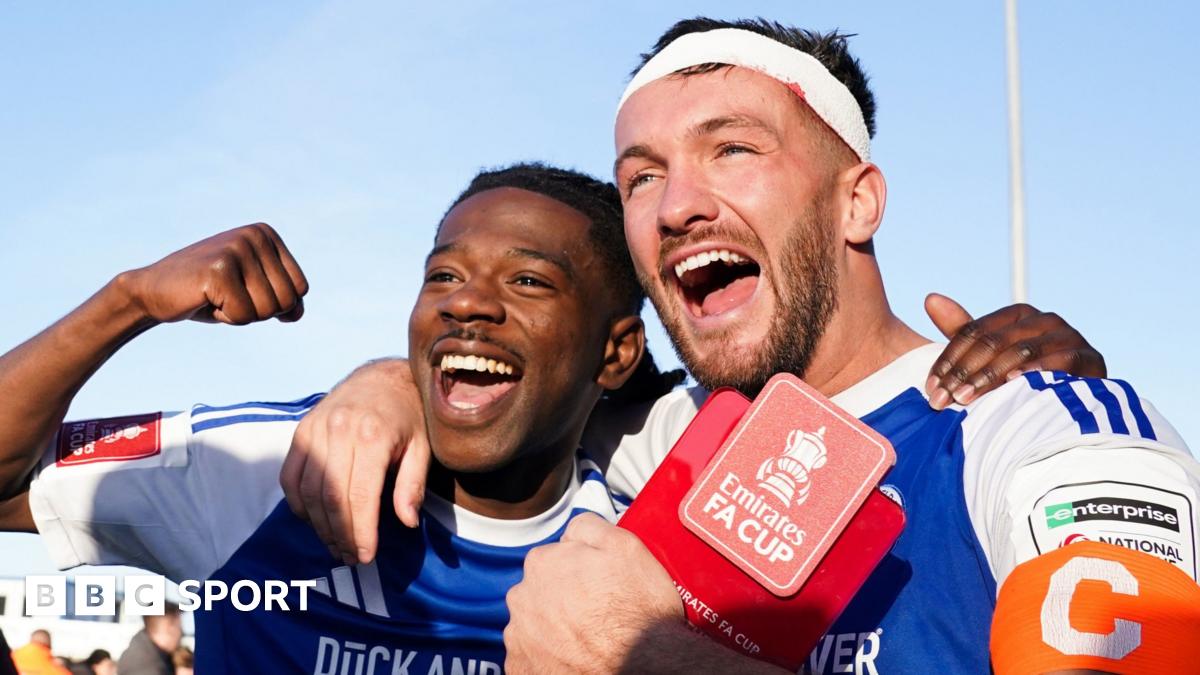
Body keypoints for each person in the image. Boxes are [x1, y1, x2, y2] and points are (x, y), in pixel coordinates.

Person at [283, 18, 1200, 674]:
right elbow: (506, 392)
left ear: (857, 201)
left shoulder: (1033, 432)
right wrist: (389, 387)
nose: (676, 205)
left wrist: (649, 656)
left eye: (732, 150)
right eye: (642, 176)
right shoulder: (648, 439)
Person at [0, 164, 699, 671]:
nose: (465, 303)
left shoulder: (647, 555)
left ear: (616, 353)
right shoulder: (267, 467)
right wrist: (129, 301)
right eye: (444, 275)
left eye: (527, 281)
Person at [118, 607, 182, 675]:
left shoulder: (146, 653)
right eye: (179, 627)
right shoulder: (148, 667)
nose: (181, 633)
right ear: (168, 627)